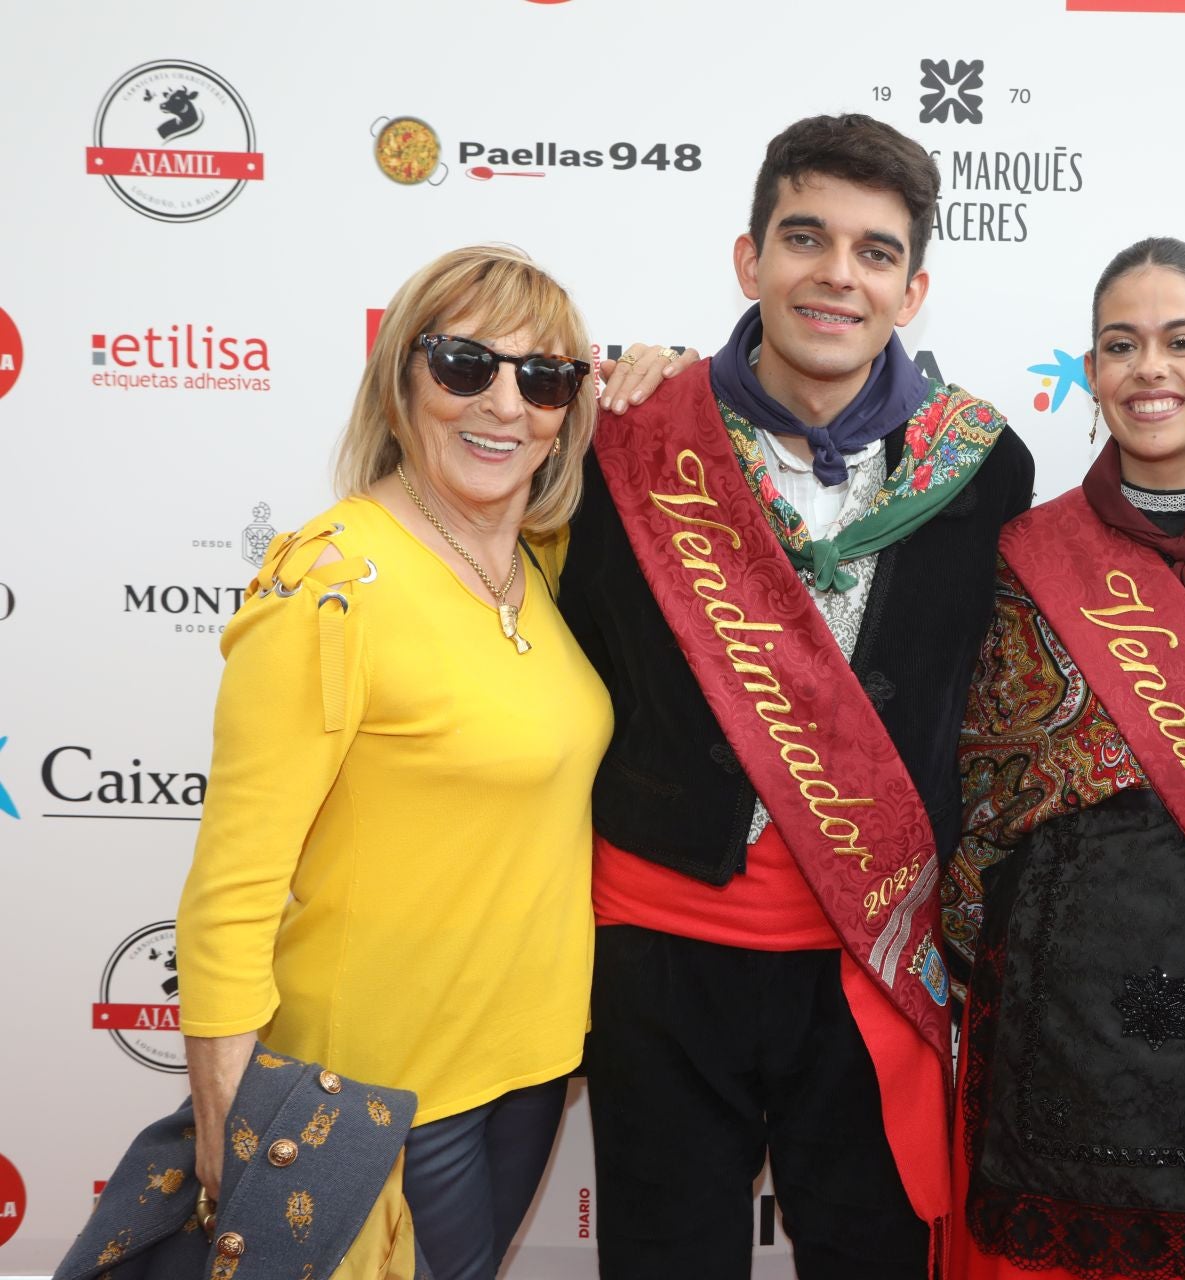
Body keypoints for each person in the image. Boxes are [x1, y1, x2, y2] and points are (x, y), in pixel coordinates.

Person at [559, 113, 1034, 1278]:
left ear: (913, 288)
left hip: (867, 954)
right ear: (748, 258)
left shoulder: (983, 467)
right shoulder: (632, 435)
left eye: (875, 252)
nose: (837, 274)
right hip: (660, 952)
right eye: (805, 238)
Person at [175, 244, 613, 1280]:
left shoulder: (540, 566)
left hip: (536, 1062)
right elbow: (232, 887)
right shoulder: (331, 583)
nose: (505, 404)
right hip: (375, 1084)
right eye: (465, 364)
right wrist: (227, 1123)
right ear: (400, 377)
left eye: (543, 378)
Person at [942, 237, 1185, 1280]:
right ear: (1091, 369)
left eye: (1181, 341)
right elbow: (987, 775)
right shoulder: (1028, 552)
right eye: (1120, 345)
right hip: (1058, 991)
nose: (1150, 369)